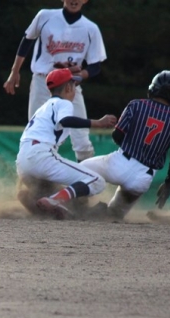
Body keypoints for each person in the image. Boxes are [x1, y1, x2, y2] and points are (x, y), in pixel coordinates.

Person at [3, 0, 107, 163]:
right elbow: (27, 40)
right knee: (37, 133)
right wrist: (14, 71)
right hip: (43, 81)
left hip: (70, 85)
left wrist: (81, 75)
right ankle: (32, 175)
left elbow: (95, 65)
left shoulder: (90, 28)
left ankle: (86, 175)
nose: (74, 0)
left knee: (82, 139)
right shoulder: (45, 16)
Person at [79, 70, 170, 219]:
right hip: (143, 177)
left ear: (153, 88)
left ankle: (76, 207)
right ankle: (102, 213)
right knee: (114, 215)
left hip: (120, 162)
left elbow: (117, 135)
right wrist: (169, 184)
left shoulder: (136, 105)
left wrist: (132, 145)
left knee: (80, 170)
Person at [16, 68, 117, 220]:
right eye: (74, 85)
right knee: (97, 181)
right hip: (41, 156)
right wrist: (97, 123)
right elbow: (65, 120)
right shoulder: (63, 103)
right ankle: (53, 200)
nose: (75, 89)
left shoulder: (43, 108)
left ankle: (35, 198)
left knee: (65, 195)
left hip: (23, 163)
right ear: (68, 87)